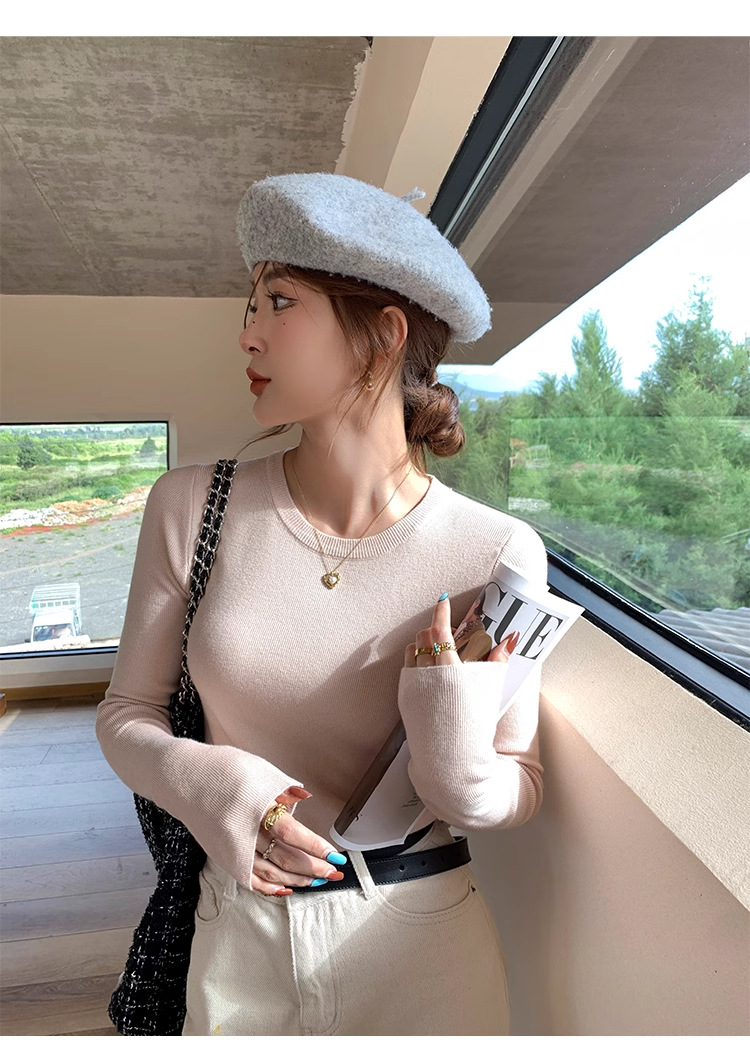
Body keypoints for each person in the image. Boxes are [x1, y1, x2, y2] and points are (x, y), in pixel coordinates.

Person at [96, 172, 547, 1036]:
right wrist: (211, 781)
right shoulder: (191, 506)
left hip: (422, 949)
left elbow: (517, 783)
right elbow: (127, 714)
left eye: (279, 302)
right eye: (250, 307)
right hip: (236, 940)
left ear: (383, 335)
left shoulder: (496, 550)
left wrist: (458, 772)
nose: (247, 334)